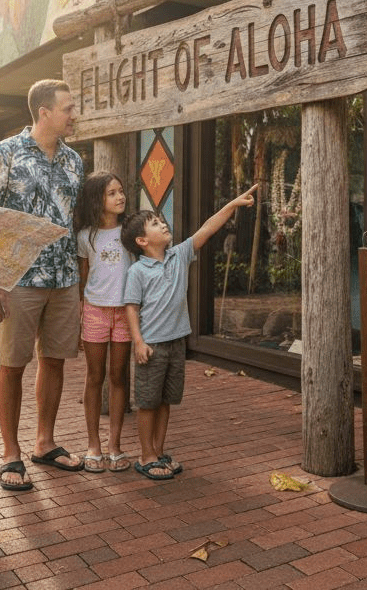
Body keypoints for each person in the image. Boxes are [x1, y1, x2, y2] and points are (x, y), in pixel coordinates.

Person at [0, 79, 85, 491]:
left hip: (63, 278)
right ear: (44, 112)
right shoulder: (2, 154)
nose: (74, 115)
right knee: (12, 363)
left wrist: (81, 279)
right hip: (18, 277)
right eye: (68, 108)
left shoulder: (75, 161)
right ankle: (10, 453)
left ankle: (45, 442)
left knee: (55, 359)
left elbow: (74, 221)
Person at [121, 185, 258, 480]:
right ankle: (145, 456)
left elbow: (208, 228)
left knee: (167, 400)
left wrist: (232, 203)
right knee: (148, 402)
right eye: (155, 223)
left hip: (176, 343)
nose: (163, 223)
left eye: (161, 220)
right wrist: (138, 342)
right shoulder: (138, 272)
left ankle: (158, 451)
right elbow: (131, 308)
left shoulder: (180, 255)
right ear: (142, 240)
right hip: (153, 346)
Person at [74, 171, 133, 473]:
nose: (120, 197)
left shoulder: (131, 232)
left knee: (119, 376)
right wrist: (78, 318)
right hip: (95, 311)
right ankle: (93, 444)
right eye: (112, 193)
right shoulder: (85, 236)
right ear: (98, 199)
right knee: (94, 377)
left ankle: (115, 445)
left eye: (121, 191)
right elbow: (83, 279)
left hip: (125, 313)